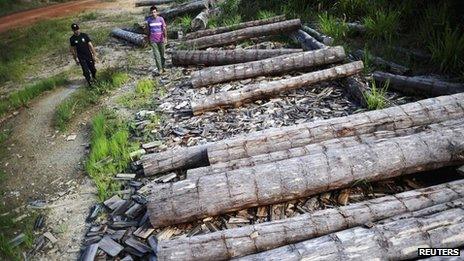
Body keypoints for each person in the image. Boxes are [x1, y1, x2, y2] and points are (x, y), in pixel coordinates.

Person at [145, 5, 167, 75]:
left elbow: (164, 29)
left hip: (161, 39)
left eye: (154, 12)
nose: (153, 14)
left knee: (162, 55)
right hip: (153, 40)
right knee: (156, 55)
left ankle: (163, 67)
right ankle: (159, 69)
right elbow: (148, 30)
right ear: (150, 13)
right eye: (152, 12)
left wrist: (165, 37)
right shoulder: (149, 20)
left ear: (157, 12)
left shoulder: (161, 19)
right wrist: (148, 39)